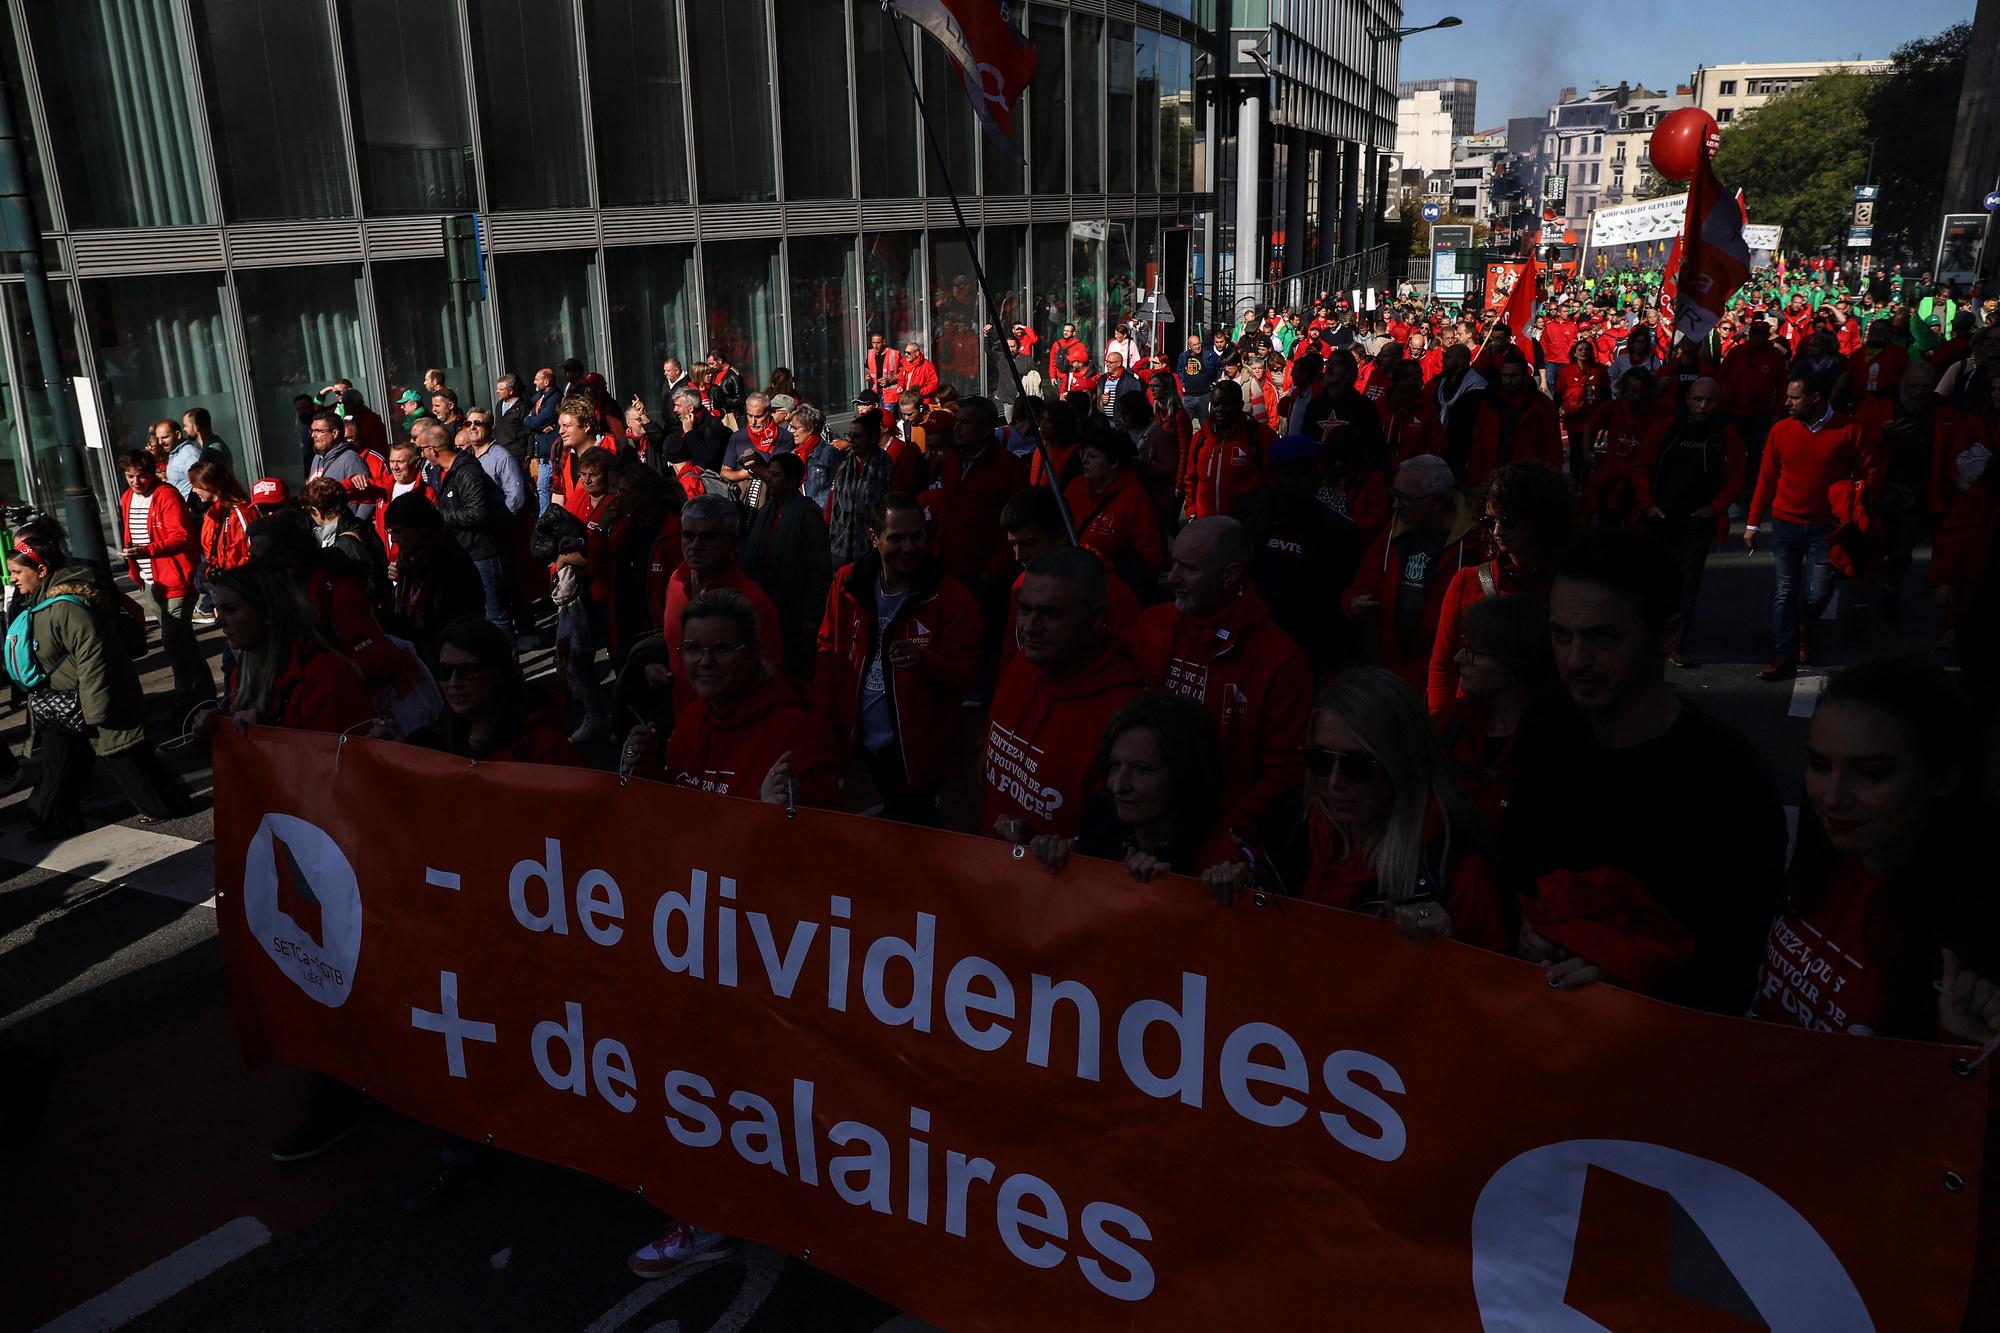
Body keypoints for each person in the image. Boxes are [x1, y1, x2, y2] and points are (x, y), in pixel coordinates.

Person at [1505, 528, 1786, 1013]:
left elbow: (1736, 955)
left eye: (1603, 637)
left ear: (1668, 634)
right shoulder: (1544, 726)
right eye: (1560, 634)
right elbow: (1517, 861)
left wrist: (1630, 974)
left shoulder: (1728, 779)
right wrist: (1524, 927)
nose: (1575, 660)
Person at [1751, 656, 1996, 1039]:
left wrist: (1966, 1049)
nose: (1833, 798)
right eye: (1819, 765)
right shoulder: (1821, 861)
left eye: (1872, 774)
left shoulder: (1973, 924)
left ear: (1943, 777)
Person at [1202, 668, 1505, 951]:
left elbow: (1490, 991)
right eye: (1320, 759)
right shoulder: (1292, 819)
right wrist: (1234, 880)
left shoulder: (1453, 868)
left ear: (1404, 765)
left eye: (1357, 765)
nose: (1334, 781)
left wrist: (1449, 948)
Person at [1128, 517, 1312, 838]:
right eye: (1174, 564)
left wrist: (1226, 835)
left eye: (1190, 569)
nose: (1173, 578)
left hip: (1217, 837)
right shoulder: (1151, 625)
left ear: (1229, 575)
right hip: (1136, 820)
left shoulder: (1280, 660)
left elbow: (1285, 771)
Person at [7, 522, 191, 839]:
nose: (12, 580)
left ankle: (167, 807)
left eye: (16, 573)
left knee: (125, 756)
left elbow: (94, 657)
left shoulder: (65, 606)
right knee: (70, 764)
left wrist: (95, 711)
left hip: (87, 700)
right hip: (70, 700)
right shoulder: (46, 598)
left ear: (40, 569)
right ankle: (52, 820)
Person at [814, 494, 980, 824]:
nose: (909, 547)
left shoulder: (950, 596)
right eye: (897, 538)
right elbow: (827, 651)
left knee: (915, 828)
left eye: (917, 536)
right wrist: (823, 724)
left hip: (919, 751)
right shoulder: (848, 583)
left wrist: (926, 661)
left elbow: (968, 673)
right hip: (860, 741)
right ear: (874, 538)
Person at [623, 589, 839, 806]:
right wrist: (648, 772)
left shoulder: (797, 735)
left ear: (754, 651)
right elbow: (681, 806)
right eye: (693, 648)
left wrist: (774, 814)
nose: (705, 661)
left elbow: (823, 830)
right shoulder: (693, 718)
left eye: (723, 649)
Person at [985, 547, 1144, 842]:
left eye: (1050, 613)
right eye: (1025, 609)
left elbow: (1114, 843)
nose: (1030, 627)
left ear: (1096, 616)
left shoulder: (1123, 717)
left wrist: (1041, 844)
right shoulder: (1022, 664)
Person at [1023, 692, 1237, 882]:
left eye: (1142, 769)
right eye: (1115, 765)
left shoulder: (1221, 851)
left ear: (1185, 773)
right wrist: (1049, 851)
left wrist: (1177, 887)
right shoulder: (1103, 816)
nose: (1118, 785)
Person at [1745, 374, 1877, 681]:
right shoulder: (1780, 430)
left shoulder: (1849, 429)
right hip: (1785, 523)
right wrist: (1752, 523)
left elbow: (1870, 470)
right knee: (1784, 592)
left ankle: (1804, 624)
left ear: (1816, 398)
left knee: (1819, 592)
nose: (1787, 403)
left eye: (1794, 398)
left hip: (1826, 528)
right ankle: (1784, 653)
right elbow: (1766, 479)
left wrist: (1854, 506)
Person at [1428, 460, 1573, 712]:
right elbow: (1442, 665)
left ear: (1541, 518)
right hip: (1472, 728)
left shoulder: (1567, 584)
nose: (1497, 531)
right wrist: (1441, 724)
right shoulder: (1467, 581)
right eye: (1489, 520)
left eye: (1508, 522)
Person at [1230, 434, 1364, 676]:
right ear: (1277, 475)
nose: (1302, 483)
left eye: (1309, 473)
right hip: (1251, 630)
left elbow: (1338, 590)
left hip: (1307, 641)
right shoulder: (1248, 510)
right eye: (1294, 474)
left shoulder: (1340, 529)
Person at [1342, 454, 1479, 691]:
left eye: (1405, 499)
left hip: (1446, 679)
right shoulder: (1395, 533)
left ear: (1438, 502)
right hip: (1390, 672)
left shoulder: (1475, 544)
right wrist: (1352, 603)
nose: (1395, 505)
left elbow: (1486, 605)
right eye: (1394, 495)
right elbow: (1364, 582)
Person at [1634, 376, 1745, 666]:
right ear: (1688, 400)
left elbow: (1736, 475)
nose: (1703, 405)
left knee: (1687, 585)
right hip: (1660, 518)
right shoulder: (1665, 429)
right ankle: (1646, 636)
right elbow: (1642, 466)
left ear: (1717, 403)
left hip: (1697, 522)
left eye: (1709, 400)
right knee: (1652, 582)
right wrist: (1647, 505)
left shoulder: (1726, 433)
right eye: (1697, 399)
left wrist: (1716, 507)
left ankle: (1675, 643)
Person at [1433, 592, 1555, 836]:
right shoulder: (1449, 725)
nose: (1459, 658)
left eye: (1473, 651)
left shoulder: (1557, 740)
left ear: (1513, 664)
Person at [660, 495, 783, 718]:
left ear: (733, 542)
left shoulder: (752, 602)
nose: (696, 546)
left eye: (708, 537)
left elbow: (769, 680)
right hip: (684, 725)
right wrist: (654, 665)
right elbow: (672, 643)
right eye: (688, 535)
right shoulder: (676, 582)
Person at [409, 615, 577, 766]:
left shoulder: (545, 748)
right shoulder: (439, 735)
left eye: (468, 671)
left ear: (498, 674)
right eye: (444, 671)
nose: (454, 682)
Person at [118, 448, 214, 710]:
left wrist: (146, 550)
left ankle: (184, 695)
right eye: (130, 476)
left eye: (141, 476)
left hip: (175, 578)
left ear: (151, 474)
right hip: (150, 579)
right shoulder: (127, 498)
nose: (136, 482)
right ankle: (203, 688)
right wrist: (135, 565)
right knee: (182, 638)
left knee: (173, 639)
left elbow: (181, 536)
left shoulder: (166, 495)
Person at [739, 451, 831, 682]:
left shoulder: (808, 515)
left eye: (775, 475)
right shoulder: (766, 511)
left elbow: (818, 570)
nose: (768, 479)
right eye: (769, 474)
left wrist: (811, 618)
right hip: (767, 610)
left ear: (792, 481)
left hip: (794, 613)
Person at [419, 419, 509, 634]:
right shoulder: (437, 472)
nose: (420, 454)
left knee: (494, 615)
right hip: (458, 551)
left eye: (422, 449)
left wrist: (439, 513)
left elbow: (477, 513)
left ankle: (508, 664)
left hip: (481, 553)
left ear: (433, 450)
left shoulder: (467, 471)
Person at [384, 493, 486, 670]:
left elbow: (452, 620)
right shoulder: (409, 561)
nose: (394, 539)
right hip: (421, 658)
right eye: (391, 531)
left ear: (421, 527)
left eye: (399, 531)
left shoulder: (449, 564)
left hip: (447, 659)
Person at [1063, 426, 1165, 593]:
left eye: (1093, 456)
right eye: (1083, 454)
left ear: (1114, 462)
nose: (1085, 461)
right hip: (1071, 579)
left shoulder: (1134, 497)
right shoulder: (1075, 487)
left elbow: (1150, 556)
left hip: (1110, 588)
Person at [1465, 352, 1563, 488]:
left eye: (1513, 376)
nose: (1508, 380)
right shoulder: (1490, 403)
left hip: (1529, 479)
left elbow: (1553, 447)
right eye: (1504, 376)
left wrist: (1549, 482)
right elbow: (1479, 441)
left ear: (1524, 376)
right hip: (1495, 475)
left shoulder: (1542, 406)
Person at [1188, 380, 1271, 519]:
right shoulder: (1200, 438)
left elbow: (1272, 480)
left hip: (1245, 527)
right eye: (1215, 404)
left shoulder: (1260, 436)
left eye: (1226, 404)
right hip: (1207, 524)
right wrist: (1191, 510)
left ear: (1240, 406)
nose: (1219, 409)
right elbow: (1190, 477)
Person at [825, 410, 895, 569]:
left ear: (871, 439)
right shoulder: (845, 466)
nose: (851, 441)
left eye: (857, 437)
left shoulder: (885, 467)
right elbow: (833, 499)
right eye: (849, 436)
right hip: (841, 542)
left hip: (870, 543)